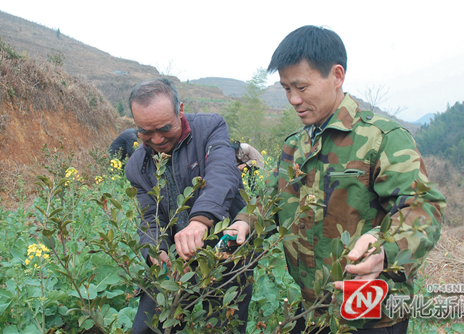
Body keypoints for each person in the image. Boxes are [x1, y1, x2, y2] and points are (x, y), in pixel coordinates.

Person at [228, 25, 445, 333]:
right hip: (314, 308)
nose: (292, 99)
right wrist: (245, 221)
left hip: (371, 314)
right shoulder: (295, 145)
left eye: (301, 87)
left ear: (337, 76)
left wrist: (384, 247)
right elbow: (270, 201)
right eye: (286, 89)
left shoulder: (380, 139)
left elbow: (424, 207)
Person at [125, 78, 253, 334]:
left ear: (180, 110)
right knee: (147, 328)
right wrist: (156, 250)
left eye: (164, 128)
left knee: (223, 324)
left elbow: (222, 172)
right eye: (146, 132)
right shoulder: (136, 165)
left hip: (224, 243)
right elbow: (148, 216)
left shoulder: (209, 127)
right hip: (176, 259)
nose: (157, 139)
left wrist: (200, 221)